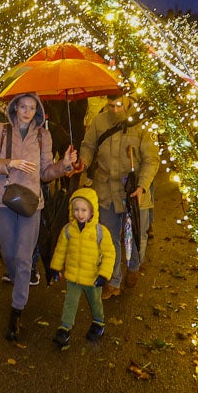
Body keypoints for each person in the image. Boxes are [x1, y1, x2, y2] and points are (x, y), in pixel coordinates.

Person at [0, 92, 77, 341]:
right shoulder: (1, 131)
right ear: (14, 108)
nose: (27, 111)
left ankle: (16, 311)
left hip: (32, 203)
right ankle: (17, 280)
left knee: (24, 258)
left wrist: (64, 165)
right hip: (4, 200)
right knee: (10, 255)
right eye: (23, 106)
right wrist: (10, 163)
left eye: (32, 108)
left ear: (38, 111)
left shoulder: (43, 136)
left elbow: (45, 173)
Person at [78, 95, 160, 298]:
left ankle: (133, 266)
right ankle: (113, 281)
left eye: (119, 106)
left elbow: (152, 159)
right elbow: (88, 146)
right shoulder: (100, 121)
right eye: (111, 106)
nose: (114, 110)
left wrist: (142, 186)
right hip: (106, 189)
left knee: (135, 236)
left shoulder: (142, 124)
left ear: (128, 101)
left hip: (134, 191)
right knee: (109, 238)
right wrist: (83, 163)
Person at [47, 188, 116, 347]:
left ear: (92, 211)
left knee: (95, 302)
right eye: (76, 209)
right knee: (70, 302)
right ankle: (65, 328)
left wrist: (104, 275)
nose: (80, 213)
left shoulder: (100, 232)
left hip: (92, 277)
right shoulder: (68, 230)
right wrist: (55, 268)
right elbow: (60, 250)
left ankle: (98, 322)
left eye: (84, 210)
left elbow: (109, 254)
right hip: (73, 276)